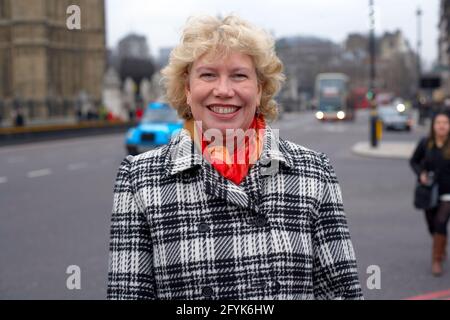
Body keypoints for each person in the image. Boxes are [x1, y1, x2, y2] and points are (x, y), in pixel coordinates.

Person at [107, 14, 363, 300]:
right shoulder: (139, 179)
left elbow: (342, 294)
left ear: (260, 89)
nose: (224, 90)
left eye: (239, 75)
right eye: (208, 75)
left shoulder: (313, 171)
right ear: (188, 89)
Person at [410, 112, 450, 276]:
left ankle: (436, 260)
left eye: (445, 122)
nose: (442, 125)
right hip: (429, 191)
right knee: (432, 224)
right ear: (433, 126)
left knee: (441, 222)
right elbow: (414, 161)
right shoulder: (425, 143)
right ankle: (441, 243)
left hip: (448, 192)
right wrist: (421, 174)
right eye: (438, 122)